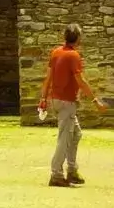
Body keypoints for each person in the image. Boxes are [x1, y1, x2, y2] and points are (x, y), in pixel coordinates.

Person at [38, 24, 106, 188]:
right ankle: (56, 174)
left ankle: (72, 170)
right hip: (66, 102)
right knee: (65, 137)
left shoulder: (56, 53)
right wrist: (95, 99)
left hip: (56, 100)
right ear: (79, 39)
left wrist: (43, 98)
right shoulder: (73, 56)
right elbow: (80, 81)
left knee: (75, 134)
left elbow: (48, 78)